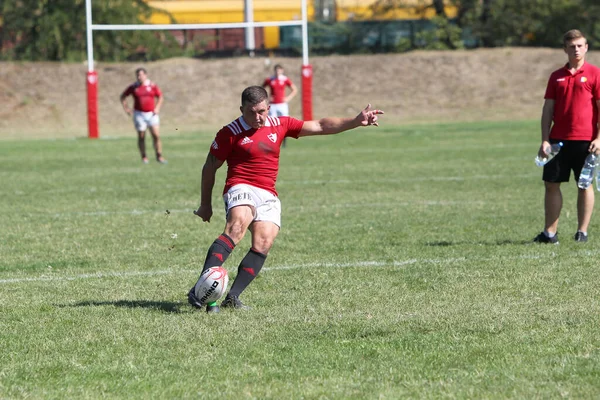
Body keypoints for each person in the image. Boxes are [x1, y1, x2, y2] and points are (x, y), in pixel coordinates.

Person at [188, 86, 384, 313]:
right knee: (238, 225)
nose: (257, 117)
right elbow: (209, 167)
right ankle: (198, 290)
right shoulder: (229, 133)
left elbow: (320, 125)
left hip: (268, 193)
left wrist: (355, 121)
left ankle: (232, 297)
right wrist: (205, 205)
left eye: (261, 111)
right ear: (241, 109)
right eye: (251, 112)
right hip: (240, 185)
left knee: (264, 242)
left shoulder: (281, 124)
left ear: (268, 108)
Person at [534, 29, 600, 244]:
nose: (576, 49)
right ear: (565, 49)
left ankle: (582, 232)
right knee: (551, 184)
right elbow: (547, 110)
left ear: (586, 47)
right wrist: (545, 139)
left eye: (580, 45)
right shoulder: (556, 76)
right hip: (558, 142)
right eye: (572, 46)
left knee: (584, 185)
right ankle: (550, 234)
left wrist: (599, 139)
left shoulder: (595, 74)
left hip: (586, 141)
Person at [120, 67, 167, 164]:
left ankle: (159, 155)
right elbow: (123, 96)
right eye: (137, 75)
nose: (139, 77)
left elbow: (160, 97)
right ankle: (144, 157)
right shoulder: (133, 87)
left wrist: (157, 108)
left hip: (152, 114)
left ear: (145, 75)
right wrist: (127, 109)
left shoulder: (152, 86)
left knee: (156, 135)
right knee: (141, 136)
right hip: (139, 114)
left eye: (141, 75)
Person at [262, 64, 298, 147]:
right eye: (276, 70)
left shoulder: (285, 79)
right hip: (272, 105)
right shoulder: (270, 80)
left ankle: (284, 143)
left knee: (285, 122)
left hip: (282, 105)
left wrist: (288, 98)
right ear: (274, 71)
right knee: (271, 123)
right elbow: (261, 89)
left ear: (282, 70)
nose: (278, 72)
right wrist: (267, 98)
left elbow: (294, 89)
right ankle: (272, 141)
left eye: (279, 70)